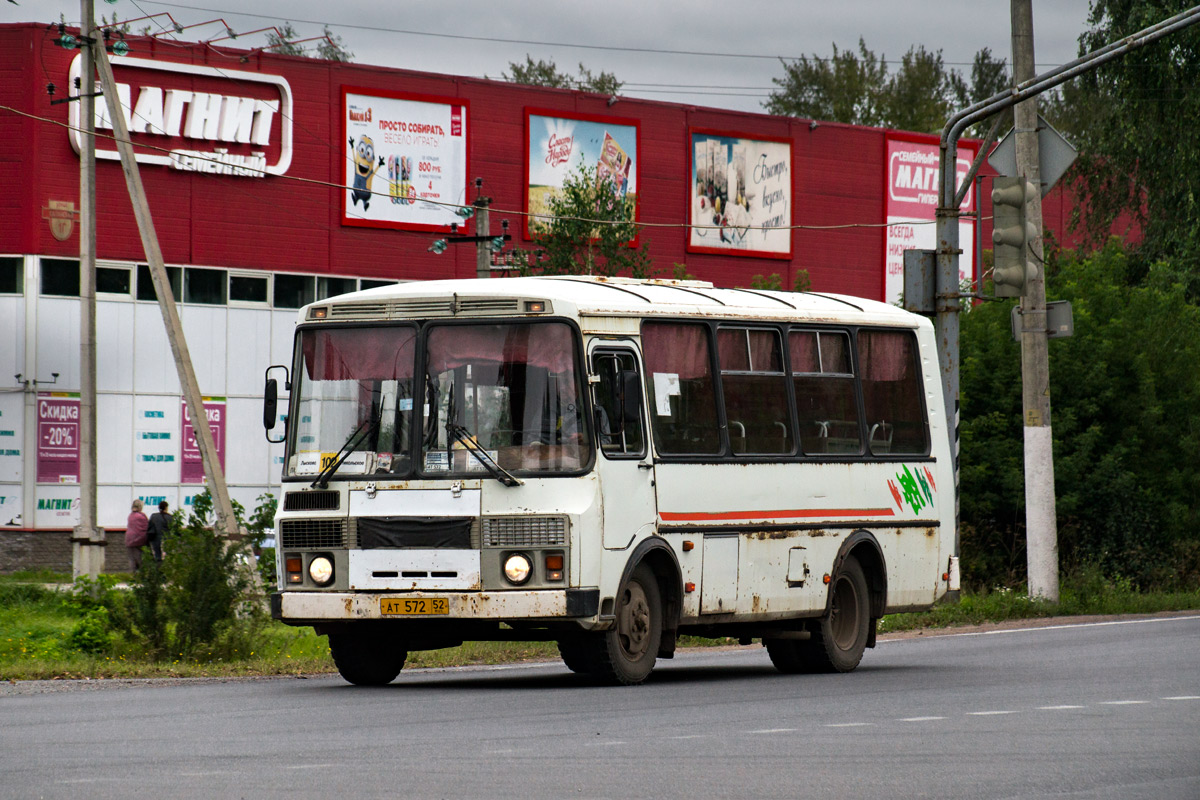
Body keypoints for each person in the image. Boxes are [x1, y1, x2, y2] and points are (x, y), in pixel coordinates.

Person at [125, 499, 149, 572]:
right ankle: (142, 575)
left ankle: (134, 575)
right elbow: (146, 527)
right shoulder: (141, 516)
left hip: (129, 539)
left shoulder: (130, 516)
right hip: (139, 540)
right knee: (141, 560)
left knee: (132, 559)